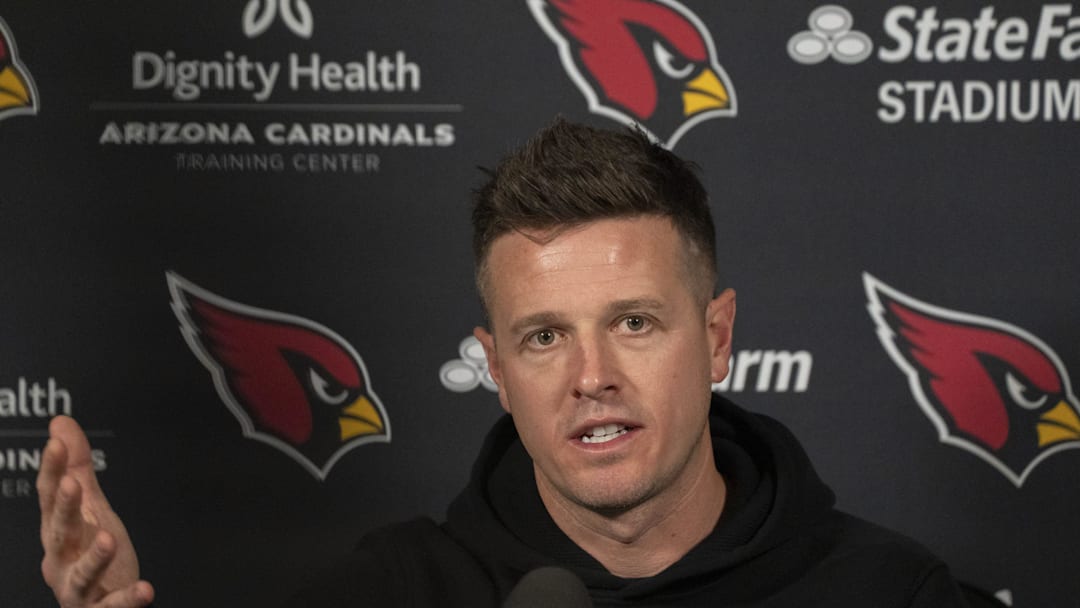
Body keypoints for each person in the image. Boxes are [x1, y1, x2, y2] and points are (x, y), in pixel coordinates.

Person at [37, 118, 969, 607]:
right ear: (494, 364)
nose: (590, 374)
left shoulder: (894, 594)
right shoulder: (387, 593)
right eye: (544, 335)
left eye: (635, 322)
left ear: (718, 338)